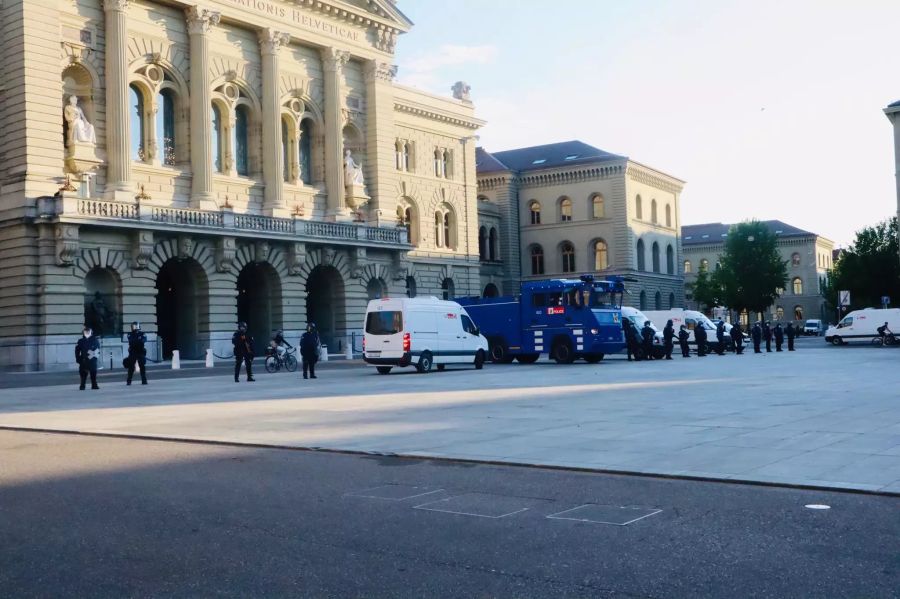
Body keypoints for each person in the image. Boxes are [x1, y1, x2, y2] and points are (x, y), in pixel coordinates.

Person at [75, 325, 100, 390]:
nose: (87, 333)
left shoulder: (95, 340)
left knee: (93, 373)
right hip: (83, 359)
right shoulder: (81, 341)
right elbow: (77, 350)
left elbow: (97, 349)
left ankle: (94, 384)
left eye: (88, 332)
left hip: (92, 359)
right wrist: (78, 358)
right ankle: (82, 385)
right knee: (83, 373)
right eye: (86, 332)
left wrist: (94, 357)